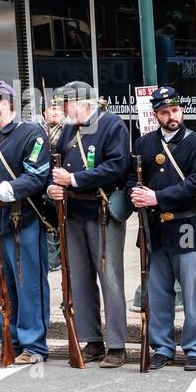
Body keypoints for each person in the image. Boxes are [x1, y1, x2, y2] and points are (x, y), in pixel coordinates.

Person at [128, 86, 196, 372]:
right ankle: (162, 347)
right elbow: (131, 178)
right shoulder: (143, 145)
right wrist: (136, 193)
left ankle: (195, 348)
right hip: (154, 227)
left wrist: (157, 197)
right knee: (158, 292)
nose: (171, 116)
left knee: (192, 292)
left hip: (187, 223)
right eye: (165, 112)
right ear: (156, 115)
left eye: (175, 110)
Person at [46, 81, 131, 368]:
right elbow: (54, 165)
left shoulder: (112, 125)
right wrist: (54, 188)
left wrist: (75, 180)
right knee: (80, 280)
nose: (63, 108)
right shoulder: (69, 129)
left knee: (110, 279)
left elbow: (117, 166)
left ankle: (117, 345)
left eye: (67, 103)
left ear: (84, 103)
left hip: (101, 209)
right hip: (74, 209)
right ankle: (92, 339)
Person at [0, 80, 52, 364]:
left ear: (4, 104)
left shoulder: (32, 134)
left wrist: (1, 190)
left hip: (23, 220)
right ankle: (7, 339)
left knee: (27, 284)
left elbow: (37, 176)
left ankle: (34, 345)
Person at [41, 91, 65, 273]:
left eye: (58, 109)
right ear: (44, 112)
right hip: (42, 181)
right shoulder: (37, 131)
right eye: (52, 109)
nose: (56, 112)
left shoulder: (68, 131)